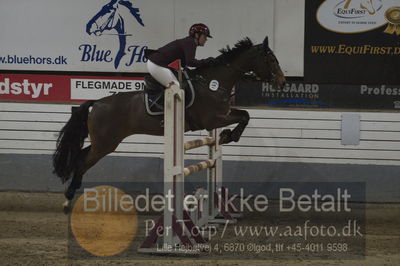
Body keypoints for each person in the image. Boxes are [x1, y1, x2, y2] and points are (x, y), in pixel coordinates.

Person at [146, 23, 215, 88]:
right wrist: (205, 61)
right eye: (204, 36)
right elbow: (190, 62)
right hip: (156, 64)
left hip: (156, 63)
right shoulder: (190, 42)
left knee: (178, 85)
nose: (206, 39)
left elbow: (184, 63)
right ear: (197, 35)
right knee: (175, 87)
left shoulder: (189, 41)